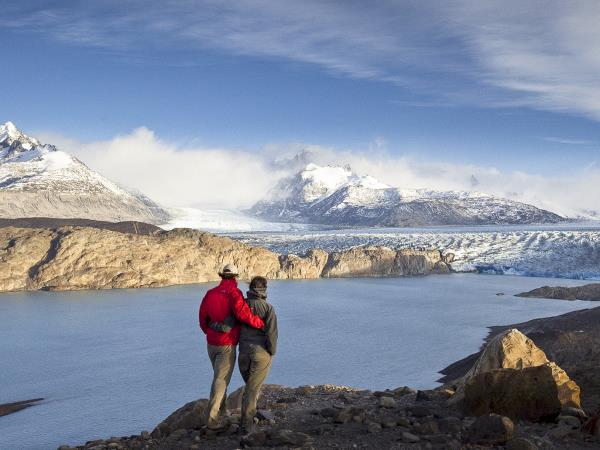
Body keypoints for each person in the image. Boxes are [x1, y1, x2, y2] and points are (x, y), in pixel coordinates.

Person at [199, 264, 265, 430]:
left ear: (222, 276)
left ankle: (221, 414)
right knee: (221, 380)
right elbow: (243, 314)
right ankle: (212, 420)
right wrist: (260, 323)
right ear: (235, 277)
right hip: (226, 344)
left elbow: (202, 318)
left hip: (211, 343)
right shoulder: (234, 293)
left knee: (220, 378)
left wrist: (210, 332)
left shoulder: (210, 293)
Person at [212, 276, 278, 434]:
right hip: (261, 354)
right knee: (252, 390)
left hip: (243, 353)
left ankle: (249, 417)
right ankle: (246, 427)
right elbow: (272, 335)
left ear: (251, 288)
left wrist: (211, 324)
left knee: (250, 387)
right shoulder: (268, 308)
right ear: (264, 289)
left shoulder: (240, 306)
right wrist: (271, 352)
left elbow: (226, 327)